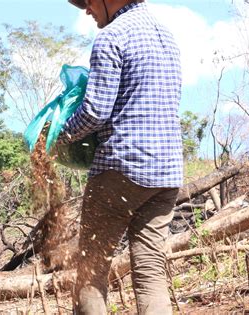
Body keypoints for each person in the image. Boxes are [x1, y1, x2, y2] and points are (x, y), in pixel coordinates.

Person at [62, 0, 183, 314]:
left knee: (90, 273)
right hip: (166, 174)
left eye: (88, 1)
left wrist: (59, 136)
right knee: (151, 274)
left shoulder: (112, 37)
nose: (87, 9)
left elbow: (94, 112)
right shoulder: (167, 36)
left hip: (121, 168)